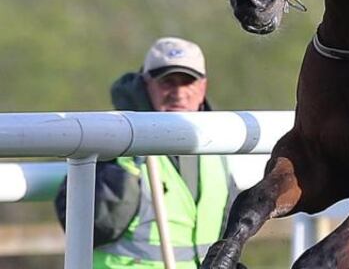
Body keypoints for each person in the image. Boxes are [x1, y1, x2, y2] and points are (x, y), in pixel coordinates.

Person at [54, 37, 239, 268]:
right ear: (146, 84)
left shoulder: (220, 147)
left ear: (203, 87)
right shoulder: (113, 141)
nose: (178, 93)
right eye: (168, 82)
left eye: (187, 81)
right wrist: (123, 173)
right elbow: (91, 226)